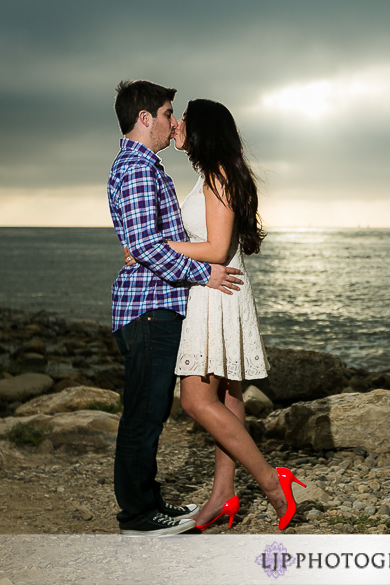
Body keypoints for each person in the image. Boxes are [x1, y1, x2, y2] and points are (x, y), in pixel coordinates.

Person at [131, 99, 304, 532]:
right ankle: (223, 495)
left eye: (184, 119)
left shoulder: (219, 176)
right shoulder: (212, 174)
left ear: (204, 128)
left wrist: (150, 250)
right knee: (228, 396)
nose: (177, 125)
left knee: (195, 400)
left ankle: (271, 482)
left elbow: (215, 249)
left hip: (216, 295)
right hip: (219, 291)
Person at [107, 80, 244, 536]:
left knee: (150, 413)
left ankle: (148, 503)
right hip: (149, 307)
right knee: (144, 415)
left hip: (153, 304)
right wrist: (205, 275)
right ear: (145, 118)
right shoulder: (140, 169)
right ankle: (138, 515)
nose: (172, 120)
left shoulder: (143, 166)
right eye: (167, 112)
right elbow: (147, 243)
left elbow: (147, 240)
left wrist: (148, 247)